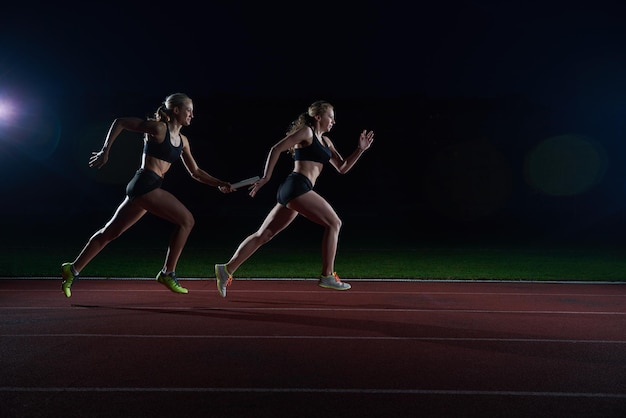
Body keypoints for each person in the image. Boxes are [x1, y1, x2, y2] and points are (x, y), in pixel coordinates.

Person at [61, 93, 232, 298]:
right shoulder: (158, 129)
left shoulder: (183, 141)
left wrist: (219, 183)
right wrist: (105, 151)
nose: (192, 115)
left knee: (110, 232)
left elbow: (196, 172)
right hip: (145, 184)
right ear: (176, 110)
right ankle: (168, 272)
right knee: (187, 220)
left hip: (148, 187)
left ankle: (72, 269)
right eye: (189, 110)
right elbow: (121, 122)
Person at [214, 100, 374, 297]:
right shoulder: (307, 132)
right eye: (330, 117)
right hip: (297, 186)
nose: (333, 121)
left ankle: (226, 269)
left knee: (264, 235)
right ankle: (327, 276)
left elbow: (342, 168)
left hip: (296, 190)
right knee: (334, 223)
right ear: (318, 117)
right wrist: (266, 177)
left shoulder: (326, 141)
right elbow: (276, 148)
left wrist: (360, 149)